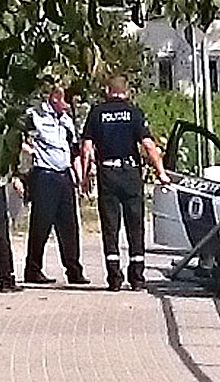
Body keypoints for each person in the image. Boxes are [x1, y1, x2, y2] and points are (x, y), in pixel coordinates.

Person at [80, 76, 170, 291]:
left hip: (107, 173)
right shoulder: (133, 112)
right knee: (135, 225)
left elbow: (86, 149)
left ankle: (114, 278)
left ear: (107, 91)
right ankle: (137, 277)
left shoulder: (97, 113)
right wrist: (161, 172)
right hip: (130, 173)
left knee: (110, 227)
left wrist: (84, 177)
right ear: (126, 92)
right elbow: (148, 146)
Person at [23, 84, 88, 285]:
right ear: (55, 99)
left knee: (69, 227)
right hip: (44, 176)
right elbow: (18, 138)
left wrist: (80, 177)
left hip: (64, 176)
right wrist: (30, 152)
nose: (69, 105)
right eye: (66, 100)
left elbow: (74, 150)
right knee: (41, 225)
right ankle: (33, 270)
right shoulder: (35, 116)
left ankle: (74, 271)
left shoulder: (67, 121)